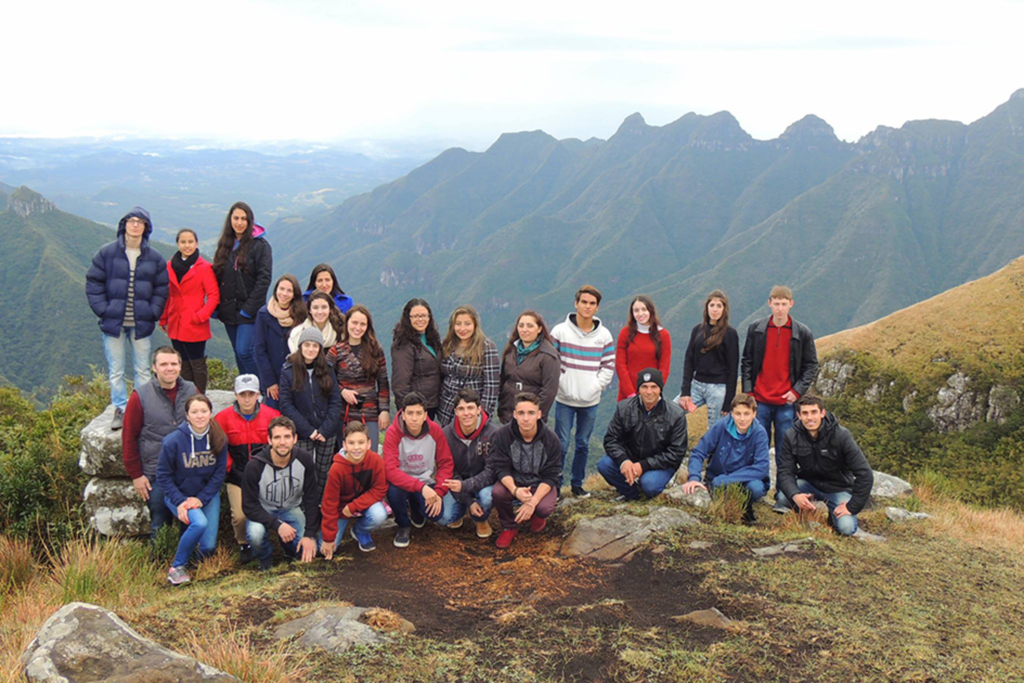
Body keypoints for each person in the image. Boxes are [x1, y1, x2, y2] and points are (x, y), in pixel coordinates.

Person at [86, 207, 169, 430]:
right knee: (116, 369)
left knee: (143, 369)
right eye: (131, 221)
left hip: (141, 323)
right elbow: (93, 282)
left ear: (145, 227)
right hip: (113, 323)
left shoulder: (154, 258)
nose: (135, 225)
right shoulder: (107, 253)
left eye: (140, 222)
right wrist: (103, 309)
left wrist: (154, 312)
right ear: (124, 225)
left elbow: (162, 288)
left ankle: (141, 409)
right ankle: (121, 408)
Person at [122, 346, 197, 540]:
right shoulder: (140, 396)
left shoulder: (191, 390)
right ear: (154, 368)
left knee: (188, 520)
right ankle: (159, 562)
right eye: (163, 364)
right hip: (155, 471)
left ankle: (187, 564)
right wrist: (136, 475)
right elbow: (129, 437)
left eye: (173, 364)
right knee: (159, 521)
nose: (169, 368)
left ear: (180, 367)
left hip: (186, 468)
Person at [774, 395, 874, 536]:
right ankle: (804, 513)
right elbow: (785, 471)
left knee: (846, 528)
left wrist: (852, 506)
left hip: (838, 487)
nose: (810, 418)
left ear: (822, 413)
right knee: (784, 497)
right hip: (809, 484)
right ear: (798, 415)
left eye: (814, 412)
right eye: (805, 413)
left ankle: (833, 517)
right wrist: (795, 495)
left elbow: (865, 474)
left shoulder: (841, 435)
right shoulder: (791, 436)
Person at [156, 394, 228, 586]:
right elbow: (163, 476)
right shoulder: (172, 441)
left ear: (211, 413)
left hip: (206, 496)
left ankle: (197, 567)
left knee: (209, 545)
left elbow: (219, 474)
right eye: (194, 412)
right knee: (199, 523)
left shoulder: (219, 438)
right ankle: (177, 567)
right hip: (178, 495)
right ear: (187, 415)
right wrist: (180, 501)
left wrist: (201, 499)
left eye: (204, 411)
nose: (199, 416)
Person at [551, 285, 615, 498]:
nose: (587, 306)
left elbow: (608, 366)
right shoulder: (560, 331)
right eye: (584, 302)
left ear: (597, 307)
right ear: (576, 303)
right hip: (564, 398)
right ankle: (556, 486)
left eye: (592, 303)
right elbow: (552, 362)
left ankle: (577, 484)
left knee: (583, 444)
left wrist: (594, 387)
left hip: (590, 401)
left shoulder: (604, 335)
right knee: (561, 444)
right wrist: (562, 384)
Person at [740, 285, 818, 447]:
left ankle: (785, 474)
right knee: (759, 446)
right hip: (760, 400)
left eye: (784, 304)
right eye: (777, 304)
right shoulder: (757, 329)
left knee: (786, 448)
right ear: (769, 303)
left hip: (787, 402)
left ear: (791, 304)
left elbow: (811, 365)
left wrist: (797, 391)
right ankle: (761, 473)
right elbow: (747, 360)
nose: (780, 309)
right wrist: (748, 392)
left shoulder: (802, 333)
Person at [214, 374, 281, 562]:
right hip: (237, 475)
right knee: (240, 516)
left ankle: (275, 541)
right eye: (242, 394)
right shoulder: (223, 418)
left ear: (258, 394)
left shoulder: (272, 416)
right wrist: (231, 469)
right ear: (235, 395)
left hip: (265, 473)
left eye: (250, 394)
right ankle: (244, 543)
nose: (246, 399)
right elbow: (219, 448)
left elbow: (279, 445)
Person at [241, 415, 320, 570]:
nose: (282, 442)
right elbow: (249, 506)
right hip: (263, 510)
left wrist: (309, 534)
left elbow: (311, 498)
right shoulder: (254, 466)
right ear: (269, 440)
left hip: (291, 508)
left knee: (307, 548)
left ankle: (290, 552)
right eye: (277, 437)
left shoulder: (305, 459)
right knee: (255, 534)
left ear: (295, 438)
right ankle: (265, 557)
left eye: (287, 437)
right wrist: (277, 525)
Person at [383, 392, 458, 548]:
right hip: (402, 482)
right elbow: (390, 470)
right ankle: (403, 525)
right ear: (403, 415)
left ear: (425, 415)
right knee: (393, 491)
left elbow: (445, 463)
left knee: (436, 514)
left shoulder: (435, 431)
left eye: (418, 413)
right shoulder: (393, 432)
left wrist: (439, 491)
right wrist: (420, 487)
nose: (414, 418)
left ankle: (417, 510)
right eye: (410, 413)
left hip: (426, 481)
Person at [598, 368, 687, 500]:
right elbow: (611, 439)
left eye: (653, 387)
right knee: (605, 465)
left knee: (649, 484)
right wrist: (624, 460)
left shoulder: (676, 415)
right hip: (631, 457)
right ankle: (633, 494)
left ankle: (654, 486)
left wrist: (644, 465)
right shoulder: (624, 408)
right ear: (638, 389)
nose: (649, 392)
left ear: (660, 389)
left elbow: (676, 453)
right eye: (644, 387)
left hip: (659, 464)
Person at [681, 393, 770, 523]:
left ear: (754, 414)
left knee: (756, 488)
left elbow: (761, 468)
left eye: (746, 414)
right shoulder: (720, 426)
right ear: (732, 414)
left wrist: (728, 480)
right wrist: (694, 477)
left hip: (744, 479)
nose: (742, 419)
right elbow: (699, 452)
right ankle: (729, 509)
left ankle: (745, 509)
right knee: (718, 486)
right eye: (738, 414)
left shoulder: (759, 433)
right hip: (718, 477)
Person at [491, 392, 562, 549]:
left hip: (539, 482)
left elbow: (552, 475)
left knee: (544, 508)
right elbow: (501, 468)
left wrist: (533, 503)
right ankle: (509, 526)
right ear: (514, 415)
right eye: (521, 413)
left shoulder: (551, 439)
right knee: (498, 492)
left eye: (531, 413)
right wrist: (515, 491)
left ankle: (537, 514)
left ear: (539, 414)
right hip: (515, 481)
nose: (526, 418)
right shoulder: (503, 435)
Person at [279, 327, 342, 503]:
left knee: (323, 469)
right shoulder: (288, 370)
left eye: (315, 346)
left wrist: (325, 429)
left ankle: (320, 502)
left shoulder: (328, 369)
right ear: (300, 346)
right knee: (303, 469)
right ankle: (303, 504)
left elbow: (335, 401)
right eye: (307, 345)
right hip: (302, 430)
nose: (311, 349)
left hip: (325, 430)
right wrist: (308, 430)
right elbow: (286, 404)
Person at [212, 201, 272, 376]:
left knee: (245, 351)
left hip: (250, 310)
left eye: (243, 219)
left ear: (250, 221)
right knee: (238, 352)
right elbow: (217, 276)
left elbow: (264, 279)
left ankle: (260, 388)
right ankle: (246, 390)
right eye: (236, 218)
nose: (239, 222)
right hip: (229, 310)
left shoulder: (260, 246)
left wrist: (248, 309)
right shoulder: (225, 245)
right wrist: (216, 307)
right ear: (230, 220)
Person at [159, 229, 219, 393]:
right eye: (183, 242)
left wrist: (201, 316)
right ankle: (186, 397)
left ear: (196, 243)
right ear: (178, 244)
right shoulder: (170, 265)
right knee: (182, 362)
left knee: (197, 362)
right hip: (175, 321)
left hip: (195, 322)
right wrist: (163, 319)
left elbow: (213, 295)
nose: (187, 245)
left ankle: (199, 398)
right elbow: (167, 294)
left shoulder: (204, 267)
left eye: (190, 242)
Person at [321, 421, 389, 555]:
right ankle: (340, 528)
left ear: (369, 444)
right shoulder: (337, 468)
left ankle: (360, 530)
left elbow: (380, 489)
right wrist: (328, 538)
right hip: (341, 509)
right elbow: (329, 503)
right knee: (323, 550)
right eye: (351, 443)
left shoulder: (376, 460)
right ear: (344, 445)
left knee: (379, 514)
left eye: (361, 442)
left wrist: (353, 507)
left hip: (364, 504)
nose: (356, 448)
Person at [441, 388, 500, 539]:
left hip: (483, 484)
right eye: (461, 409)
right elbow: (448, 471)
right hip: (458, 485)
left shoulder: (493, 434)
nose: (466, 413)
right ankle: (461, 508)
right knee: (444, 517)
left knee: (488, 496)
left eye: (470, 408)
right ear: (455, 412)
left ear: (479, 409)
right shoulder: (446, 434)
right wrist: (469, 500)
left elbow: (491, 472)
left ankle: (480, 519)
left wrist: (466, 486)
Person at [333, 304, 390, 452]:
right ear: (347, 324)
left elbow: (383, 382)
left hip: (369, 412)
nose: (358, 327)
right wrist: (342, 390)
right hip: (343, 413)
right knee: (347, 455)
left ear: (368, 327)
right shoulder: (336, 350)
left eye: (362, 324)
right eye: (354, 323)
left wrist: (384, 410)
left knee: (370, 455)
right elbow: (326, 379)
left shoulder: (375, 350)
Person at [679, 290, 740, 429]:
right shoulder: (697, 330)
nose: (715, 309)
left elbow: (733, 368)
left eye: (719, 306)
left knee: (714, 429)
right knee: (672, 412)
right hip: (697, 384)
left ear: (724, 309)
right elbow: (689, 360)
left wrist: (728, 401)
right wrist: (685, 391)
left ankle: (712, 452)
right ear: (706, 307)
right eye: (712, 305)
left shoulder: (730, 333)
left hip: (718, 388)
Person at [436, 305, 500, 426]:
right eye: (458, 324)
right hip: (447, 410)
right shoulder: (447, 345)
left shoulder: (486, 347)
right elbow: (441, 377)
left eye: (467, 324)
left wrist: (484, 414)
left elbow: (491, 386)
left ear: (475, 325)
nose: (462, 328)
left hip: (472, 411)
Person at [497, 310, 560, 424]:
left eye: (530, 326)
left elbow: (549, 391)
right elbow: (502, 380)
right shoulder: (511, 350)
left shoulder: (548, 356)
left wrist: (535, 415)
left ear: (539, 329)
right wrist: (501, 407)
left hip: (530, 418)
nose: (524, 329)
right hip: (508, 412)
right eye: (521, 326)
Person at [253, 274, 306, 410]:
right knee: (274, 416)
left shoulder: (301, 314)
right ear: (275, 290)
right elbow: (259, 349)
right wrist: (269, 382)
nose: (284, 294)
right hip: (273, 376)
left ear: (294, 294)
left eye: (289, 290)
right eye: (281, 289)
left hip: (296, 377)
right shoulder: (264, 314)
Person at [391, 298, 443, 419]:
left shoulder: (432, 339)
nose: (420, 319)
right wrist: (409, 410)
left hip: (432, 404)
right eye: (415, 316)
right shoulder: (403, 344)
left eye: (424, 315)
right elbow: (400, 383)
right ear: (408, 318)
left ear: (429, 317)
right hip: (416, 408)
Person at [615, 295, 671, 402]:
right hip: (627, 394)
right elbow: (620, 365)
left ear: (651, 311)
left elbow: (664, 367)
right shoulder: (625, 333)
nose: (640, 314)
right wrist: (631, 393)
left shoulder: (663, 335)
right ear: (632, 313)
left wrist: (654, 391)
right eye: (636, 310)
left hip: (651, 395)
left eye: (644, 309)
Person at [288, 291, 345, 357]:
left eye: (324, 307)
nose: (320, 312)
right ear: (310, 310)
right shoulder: (296, 335)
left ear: (330, 309)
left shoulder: (340, 332)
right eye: (315, 308)